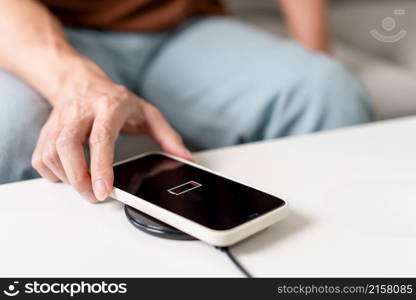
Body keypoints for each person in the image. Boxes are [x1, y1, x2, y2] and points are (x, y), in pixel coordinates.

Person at [0, 0, 372, 202]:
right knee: (17, 136)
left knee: (322, 89)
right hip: (37, 32)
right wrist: (75, 83)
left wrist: (313, 52)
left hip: (182, 25)